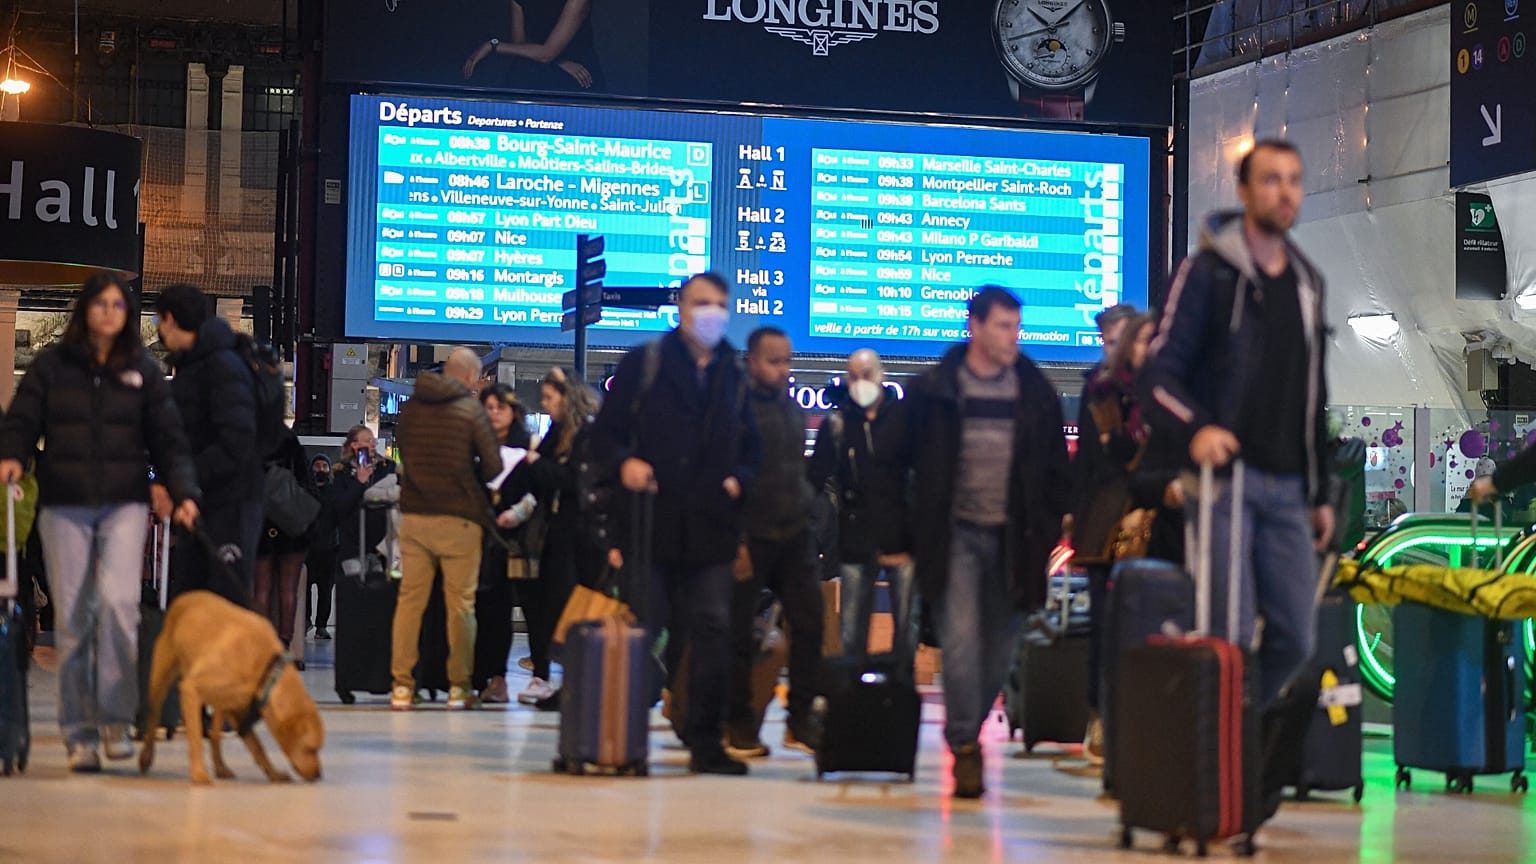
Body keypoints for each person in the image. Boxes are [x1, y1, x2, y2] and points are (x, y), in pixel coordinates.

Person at [1142, 138, 1334, 706]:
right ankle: (1216, 762)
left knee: (1297, 637)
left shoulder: (1307, 283)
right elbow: (1156, 375)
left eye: (1295, 180)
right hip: (1228, 481)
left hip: (1288, 487)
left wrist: (1319, 490)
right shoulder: (1207, 273)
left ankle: (1230, 732)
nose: (1285, 192)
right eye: (1272, 179)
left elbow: (1313, 392)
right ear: (1245, 190)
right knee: (1226, 635)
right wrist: (1198, 428)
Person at [0, 271, 201, 772]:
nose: (110, 311)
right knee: (73, 618)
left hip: (124, 503)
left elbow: (168, 435)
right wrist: (13, 455)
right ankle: (79, 734)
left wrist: (182, 489)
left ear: (128, 315)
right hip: (64, 503)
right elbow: (22, 419)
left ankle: (114, 721)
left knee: (117, 606)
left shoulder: (142, 370)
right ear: (85, 310)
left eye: (119, 304)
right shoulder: (51, 366)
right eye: (101, 303)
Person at [898, 285, 1072, 799]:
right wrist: (902, 531)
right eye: (1002, 326)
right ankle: (964, 744)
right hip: (956, 536)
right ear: (973, 325)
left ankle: (970, 727)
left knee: (1001, 645)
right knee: (962, 640)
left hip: (1014, 540)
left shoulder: (1034, 392)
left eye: (1017, 328)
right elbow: (899, 461)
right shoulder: (937, 389)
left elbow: (1055, 466)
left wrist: (1054, 518)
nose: (1012, 338)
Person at [591, 271, 758, 776]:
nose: (711, 313)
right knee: (646, 631)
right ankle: (625, 738)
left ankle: (705, 740)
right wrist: (625, 462)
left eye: (719, 304)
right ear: (681, 307)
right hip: (650, 525)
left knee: (711, 629)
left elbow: (755, 447)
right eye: (701, 303)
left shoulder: (734, 370)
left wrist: (740, 480)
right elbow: (604, 437)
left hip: (711, 527)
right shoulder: (647, 364)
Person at [726, 327, 823, 758]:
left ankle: (799, 718)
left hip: (793, 533)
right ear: (751, 360)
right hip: (751, 534)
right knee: (739, 631)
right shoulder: (735, 408)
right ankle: (738, 721)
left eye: (787, 360)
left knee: (811, 622)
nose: (784, 369)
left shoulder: (790, 407)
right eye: (774, 361)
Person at [389, 348, 503, 711]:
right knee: (461, 606)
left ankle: (402, 687)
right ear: (470, 376)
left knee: (410, 603)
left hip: (416, 517)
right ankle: (459, 688)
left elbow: (402, 451)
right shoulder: (470, 411)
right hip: (460, 519)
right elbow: (493, 465)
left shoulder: (411, 409)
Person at [1069, 311, 1153, 765]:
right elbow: (1086, 459)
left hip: (1150, 515)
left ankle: (1137, 720)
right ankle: (1098, 716)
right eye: (1110, 340)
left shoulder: (1159, 389)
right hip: (1104, 517)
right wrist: (1075, 516)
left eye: (1123, 339)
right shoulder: (1098, 391)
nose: (1116, 348)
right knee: (1102, 622)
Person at [153, 283, 263, 604]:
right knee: (194, 598)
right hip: (206, 501)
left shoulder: (221, 365)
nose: (159, 331)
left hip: (231, 503)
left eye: (158, 322)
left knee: (224, 600)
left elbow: (237, 442)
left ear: (170, 319)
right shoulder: (197, 365)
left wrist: (186, 480)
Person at [501, 369, 605, 707]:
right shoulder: (558, 431)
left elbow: (570, 479)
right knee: (547, 606)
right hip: (555, 532)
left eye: (549, 398)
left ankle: (573, 680)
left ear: (568, 396)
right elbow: (540, 473)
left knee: (568, 606)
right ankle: (546, 677)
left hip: (581, 536)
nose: (545, 405)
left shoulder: (588, 434)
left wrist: (533, 461)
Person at [806, 349, 917, 662]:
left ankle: (900, 699)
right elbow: (814, 480)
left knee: (906, 630)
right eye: (853, 376)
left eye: (866, 375)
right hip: (855, 540)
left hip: (901, 541)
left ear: (881, 377)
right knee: (852, 632)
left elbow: (922, 477)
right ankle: (851, 700)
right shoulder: (837, 426)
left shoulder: (904, 422)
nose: (860, 383)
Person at [471, 383, 536, 705]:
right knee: (485, 609)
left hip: (518, 541)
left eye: (501, 407)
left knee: (519, 610)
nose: (494, 413)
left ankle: (502, 678)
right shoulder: (474, 447)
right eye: (489, 407)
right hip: (477, 538)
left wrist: (517, 512)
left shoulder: (527, 449)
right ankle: (482, 676)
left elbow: (538, 492)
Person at [253, 428, 314, 646]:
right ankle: (285, 640)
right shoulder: (291, 441)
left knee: (261, 589)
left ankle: (261, 640)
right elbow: (307, 484)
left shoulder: (252, 439)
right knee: (289, 590)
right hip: (291, 524)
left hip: (260, 524)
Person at [462, 0, 605, 91]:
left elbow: (548, 53)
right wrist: (559, 62)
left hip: (578, 73)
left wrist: (493, 46)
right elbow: (520, 45)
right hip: (540, 66)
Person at [306, 455, 339, 639]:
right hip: (307, 547)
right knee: (305, 588)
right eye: (317, 465)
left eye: (324, 466)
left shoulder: (334, 492)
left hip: (330, 547)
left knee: (326, 590)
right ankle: (305, 621)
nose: (320, 469)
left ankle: (321, 626)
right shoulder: (305, 490)